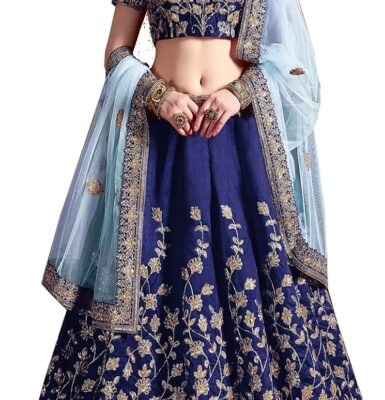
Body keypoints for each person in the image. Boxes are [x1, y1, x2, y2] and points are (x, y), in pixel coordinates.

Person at [39, 0, 362, 398]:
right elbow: (116, 51)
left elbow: (294, 62)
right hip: (161, 139)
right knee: (150, 263)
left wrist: (240, 93)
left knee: (259, 271)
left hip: (239, 135)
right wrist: (158, 95)